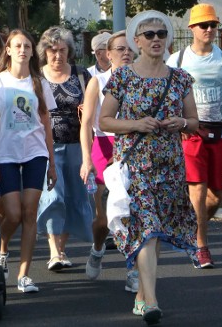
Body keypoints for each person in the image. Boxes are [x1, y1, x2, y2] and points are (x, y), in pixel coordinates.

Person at [98, 11, 200, 324]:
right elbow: (104, 121)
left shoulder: (180, 77)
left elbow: (195, 123)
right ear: (137, 41)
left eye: (161, 34)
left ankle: (142, 295)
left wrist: (179, 122)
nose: (156, 39)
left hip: (169, 163)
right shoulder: (122, 77)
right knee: (148, 228)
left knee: (156, 233)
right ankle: (152, 301)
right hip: (135, 164)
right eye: (149, 35)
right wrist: (136, 124)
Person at [166, 3, 222, 268]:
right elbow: (169, 96)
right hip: (191, 132)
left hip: (219, 132)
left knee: (218, 193)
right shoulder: (179, 60)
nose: (209, 30)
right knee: (198, 188)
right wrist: (178, 125)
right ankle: (201, 246)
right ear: (192, 28)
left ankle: (190, 226)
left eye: (213, 25)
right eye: (204, 25)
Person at [0, 29, 57, 294]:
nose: (23, 50)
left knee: (29, 211)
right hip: (6, 154)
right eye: (18, 45)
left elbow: (47, 123)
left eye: (27, 45)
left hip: (35, 153)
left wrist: (52, 162)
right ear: (9, 50)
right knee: (12, 212)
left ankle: (24, 274)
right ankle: (0, 248)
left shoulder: (40, 83)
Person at [36, 26, 94, 271]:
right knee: (53, 197)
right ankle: (54, 251)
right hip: (46, 145)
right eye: (52, 50)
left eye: (62, 50)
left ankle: (62, 249)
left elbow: (90, 117)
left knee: (73, 197)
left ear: (69, 51)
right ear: (44, 52)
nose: (57, 55)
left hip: (76, 145)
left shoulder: (82, 76)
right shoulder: (36, 77)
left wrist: (88, 156)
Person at [79, 31, 134, 285]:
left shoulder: (141, 81)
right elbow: (87, 122)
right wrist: (86, 159)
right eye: (120, 49)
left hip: (133, 144)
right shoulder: (98, 82)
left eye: (129, 49)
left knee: (131, 212)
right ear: (107, 55)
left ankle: (134, 270)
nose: (126, 53)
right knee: (104, 218)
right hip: (104, 145)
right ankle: (98, 248)